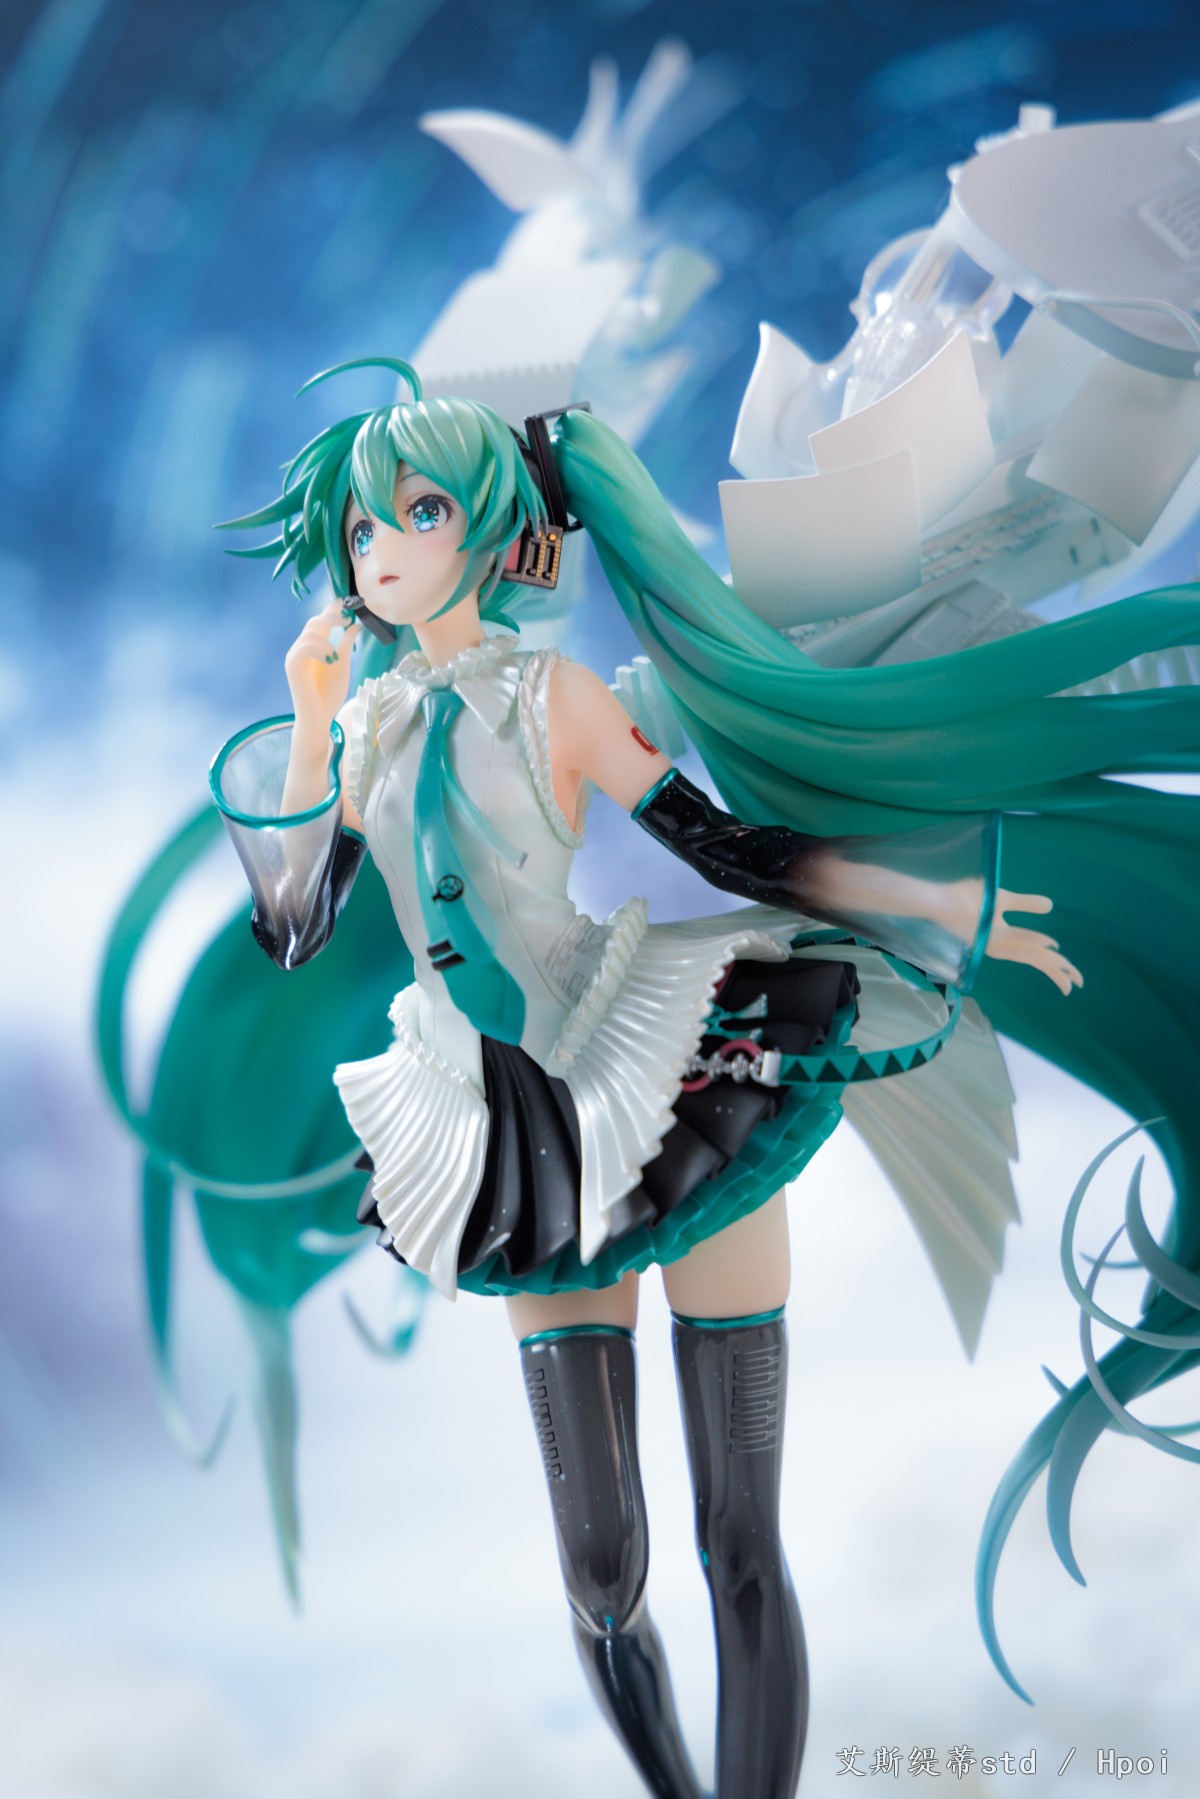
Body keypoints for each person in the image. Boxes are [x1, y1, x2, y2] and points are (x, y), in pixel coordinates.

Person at [111, 356, 1200, 1799]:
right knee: (601, 1569)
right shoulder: (367, 733)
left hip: (662, 1066)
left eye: (417, 512)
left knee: (737, 1535)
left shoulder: (551, 698)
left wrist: (941, 905)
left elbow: (729, 848)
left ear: (493, 529)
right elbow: (295, 931)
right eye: (361, 529)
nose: (380, 551)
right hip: (503, 1131)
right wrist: (313, 719)